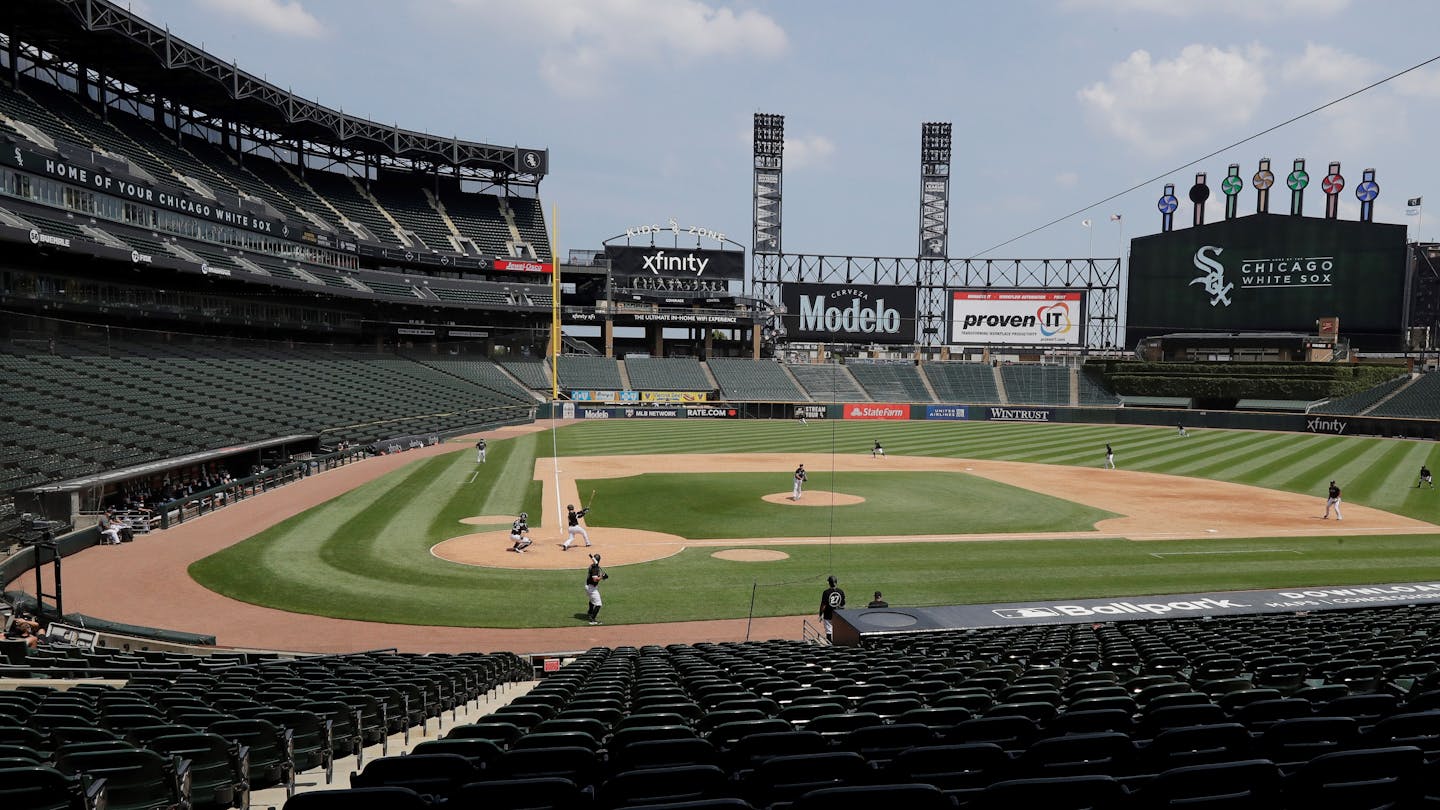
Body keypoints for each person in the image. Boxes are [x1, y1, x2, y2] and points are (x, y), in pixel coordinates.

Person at [818, 575, 846, 643]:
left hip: (828, 615)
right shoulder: (841, 591)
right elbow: (843, 604)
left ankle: (830, 644)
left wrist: (821, 614)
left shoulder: (826, 592)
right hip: (838, 614)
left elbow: (823, 605)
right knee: (838, 630)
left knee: (829, 631)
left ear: (829, 583)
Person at [585, 553, 608, 625]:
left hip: (588, 586)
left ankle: (590, 612)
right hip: (591, 588)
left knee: (592, 600)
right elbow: (595, 579)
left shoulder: (593, 566)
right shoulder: (595, 568)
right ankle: (592, 620)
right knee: (598, 604)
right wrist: (602, 577)